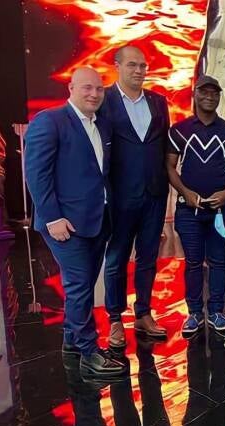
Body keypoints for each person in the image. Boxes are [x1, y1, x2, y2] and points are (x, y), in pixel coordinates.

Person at [25, 67, 127, 380]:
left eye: (99, 89)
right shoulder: (50, 121)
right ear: (71, 88)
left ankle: (72, 340)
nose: (94, 94)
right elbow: (36, 174)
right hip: (65, 224)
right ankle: (89, 353)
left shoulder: (102, 125)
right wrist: (52, 217)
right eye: (87, 87)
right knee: (80, 286)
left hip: (97, 221)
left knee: (82, 285)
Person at [100, 45, 170, 347]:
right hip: (120, 195)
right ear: (117, 66)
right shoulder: (104, 101)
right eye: (132, 65)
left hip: (154, 193)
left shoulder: (158, 101)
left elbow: (163, 146)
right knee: (116, 258)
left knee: (148, 257)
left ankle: (143, 312)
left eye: (143, 65)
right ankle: (115, 319)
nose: (139, 70)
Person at [166, 75, 225, 335]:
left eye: (214, 93)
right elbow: (169, 166)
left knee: (219, 262)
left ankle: (216, 312)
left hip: (221, 210)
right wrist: (186, 192)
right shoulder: (179, 130)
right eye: (204, 92)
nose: (209, 97)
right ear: (195, 94)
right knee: (192, 262)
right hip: (189, 210)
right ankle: (194, 313)